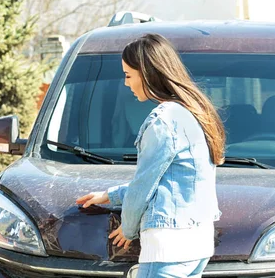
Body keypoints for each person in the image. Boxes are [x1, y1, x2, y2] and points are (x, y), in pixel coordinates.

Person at [76, 33, 225, 278]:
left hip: (168, 249)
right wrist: (109, 195)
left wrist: (128, 228)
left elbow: (144, 186)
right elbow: (170, 181)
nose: (126, 83)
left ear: (147, 74)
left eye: (128, 75)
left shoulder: (163, 122)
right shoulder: (194, 114)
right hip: (197, 247)